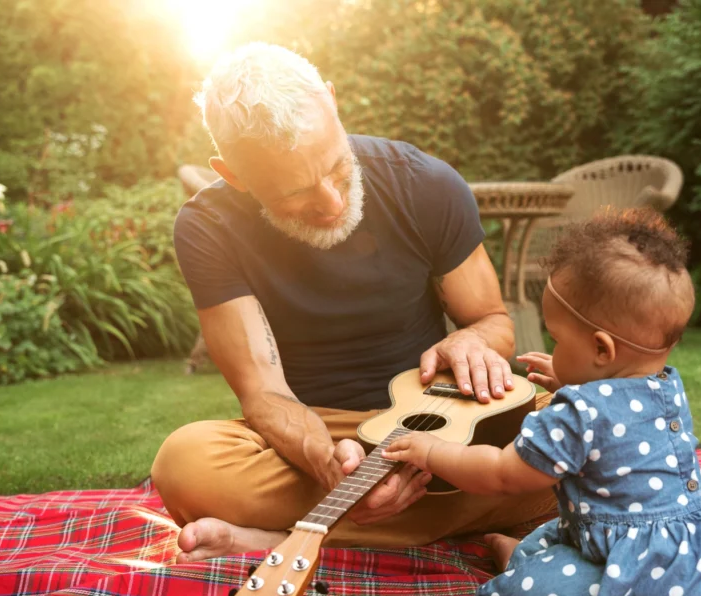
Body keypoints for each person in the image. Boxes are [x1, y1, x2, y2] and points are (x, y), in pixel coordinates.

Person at [150, 42, 556, 562]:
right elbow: (263, 393)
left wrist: (470, 340)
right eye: (296, 191)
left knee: (587, 432)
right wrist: (329, 466)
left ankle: (289, 535)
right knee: (185, 464)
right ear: (234, 175)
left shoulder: (424, 183)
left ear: (333, 103)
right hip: (319, 433)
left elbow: (492, 321)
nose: (332, 203)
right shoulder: (208, 228)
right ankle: (458, 513)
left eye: (337, 168)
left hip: (445, 424)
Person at [384, 208, 701, 596]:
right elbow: (617, 416)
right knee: (554, 534)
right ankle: (532, 557)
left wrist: (432, 452)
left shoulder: (576, 415)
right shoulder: (666, 388)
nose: (551, 348)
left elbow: (502, 473)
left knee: (536, 585)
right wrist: (573, 381)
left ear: (601, 349)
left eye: (557, 339)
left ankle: (520, 567)